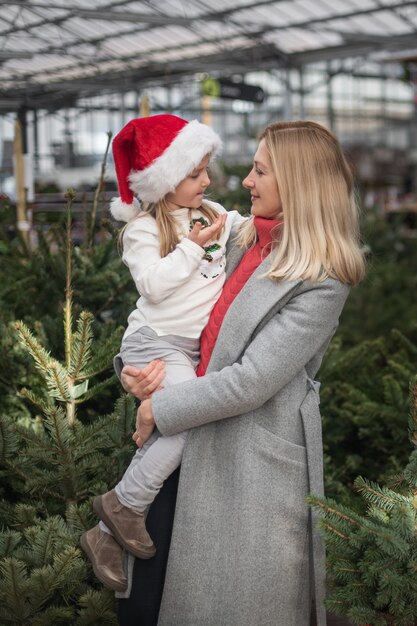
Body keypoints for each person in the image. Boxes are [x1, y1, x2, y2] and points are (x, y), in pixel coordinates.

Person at [118, 120, 366, 626]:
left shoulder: (324, 277)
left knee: (228, 603)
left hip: (245, 457)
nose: (246, 181)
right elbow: (170, 313)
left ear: (297, 183)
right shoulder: (238, 236)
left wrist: (160, 408)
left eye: (259, 170)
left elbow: (252, 380)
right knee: (145, 600)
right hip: (183, 437)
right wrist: (135, 371)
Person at [80, 114, 244, 593]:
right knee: (190, 418)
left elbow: (250, 227)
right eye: (194, 174)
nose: (207, 182)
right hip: (155, 342)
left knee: (187, 420)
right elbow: (151, 286)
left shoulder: (209, 211)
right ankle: (126, 505)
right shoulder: (144, 230)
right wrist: (192, 249)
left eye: (205, 171)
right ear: (164, 179)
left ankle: (107, 532)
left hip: (188, 349)